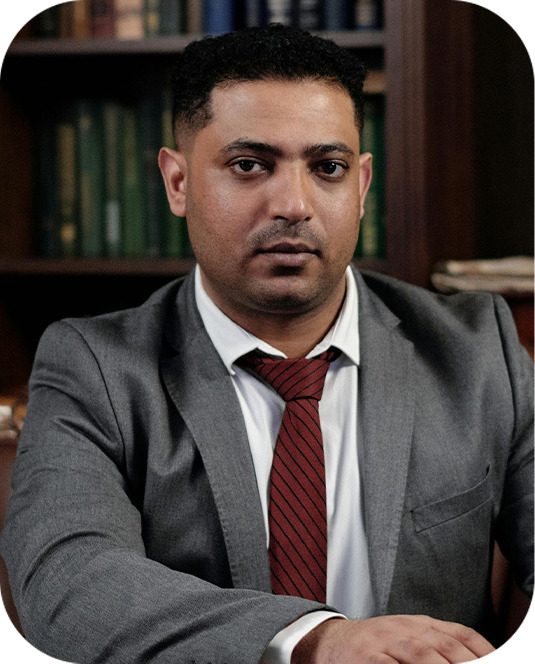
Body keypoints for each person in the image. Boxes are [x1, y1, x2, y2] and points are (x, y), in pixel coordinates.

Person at [0, 24, 532, 664]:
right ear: (178, 182)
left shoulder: (477, 350)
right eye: (249, 165)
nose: (293, 204)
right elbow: (66, 583)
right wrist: (315, 639)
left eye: (327, 168)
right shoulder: (94, 367)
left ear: (362, 186)